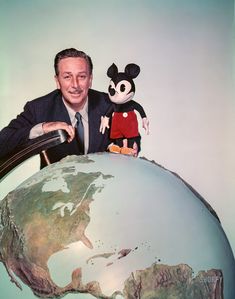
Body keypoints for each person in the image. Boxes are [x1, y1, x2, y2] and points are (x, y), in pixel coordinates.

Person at [0, 48, 113, 168]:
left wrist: (133, 145)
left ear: (90, 80)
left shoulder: (109, 104)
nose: (75, 85)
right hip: (57, 186)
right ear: (57, 81)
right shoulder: (38, 109)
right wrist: (44, 128)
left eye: (81, 76)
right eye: (67, 77)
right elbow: (3, 142)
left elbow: (131, 142)